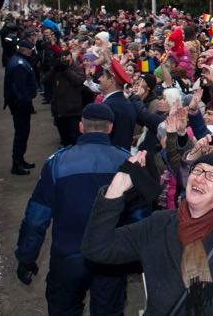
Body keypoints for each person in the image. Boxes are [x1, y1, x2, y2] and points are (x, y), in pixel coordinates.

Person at [81, 150, 213, 315]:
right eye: (197, 170)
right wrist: (115, 190)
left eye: (212, 176)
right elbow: (97, 248)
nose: (200, 178)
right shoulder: (158, 224)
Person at [14, 103, 131, 315]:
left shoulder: (58, 163)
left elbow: (36, 217)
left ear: (81, 126)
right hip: (111, 260)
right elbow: (139, 216)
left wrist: (26, 256)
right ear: (110, 128)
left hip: (67, 257)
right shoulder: (125, 162)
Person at [4, 37, 38, 175]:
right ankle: (17, 164)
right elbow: (19, 89)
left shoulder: (18, 61)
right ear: (28, 51)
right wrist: (26, 103)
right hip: (20, 105)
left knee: (23, 133)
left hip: (19, 103)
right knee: (21, 134)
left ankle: (20, 160)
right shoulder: (20, 65)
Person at [95, 60, 137, 151]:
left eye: (102, 76)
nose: (99, 79)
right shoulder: (125, 103)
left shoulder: (108, 106)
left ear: (111, 80)